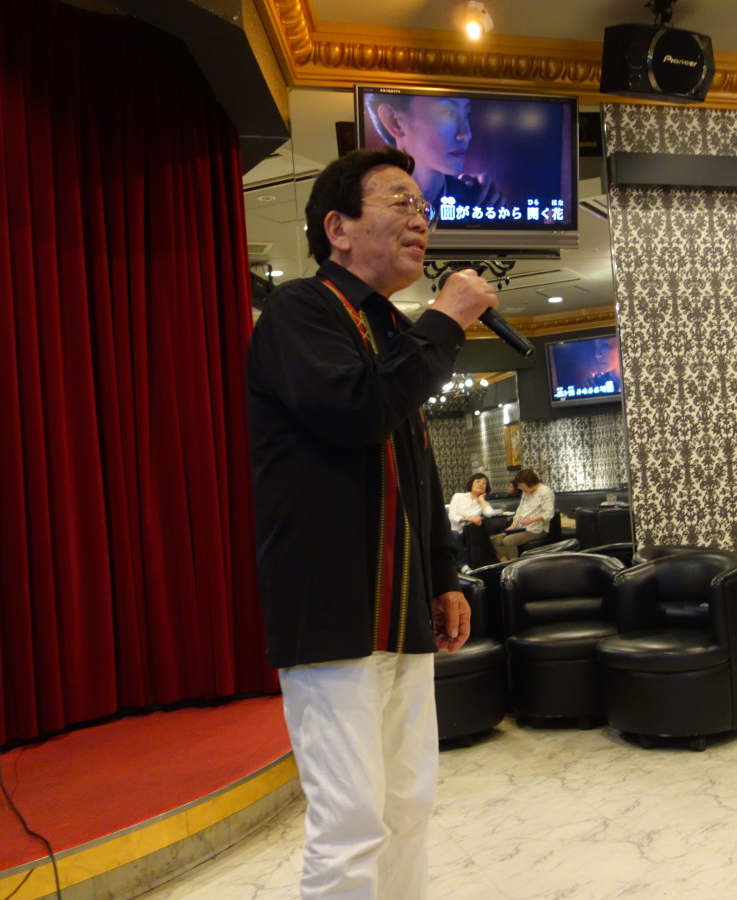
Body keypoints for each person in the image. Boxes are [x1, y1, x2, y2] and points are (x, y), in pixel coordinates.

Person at [246, 146, 498, 899]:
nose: (421, 219)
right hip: (331, 611)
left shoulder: (390, 328)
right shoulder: (299, 312)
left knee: (408, 805)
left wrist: (445, 576)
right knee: (351, 822)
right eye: (399, 202)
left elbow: (418, 471)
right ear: (338, 228)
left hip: (401, 608)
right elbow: (355, 411)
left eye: (423, 206)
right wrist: (445, 320)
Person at [364, 92, 502, 210]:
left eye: (467, 114)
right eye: (447, 113)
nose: (466, 134)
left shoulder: (479, 203)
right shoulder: (368, 205)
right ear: (395, 122)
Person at [489, 468, 555, 562]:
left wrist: (531, 520)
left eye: (521, 486)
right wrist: (514, 525)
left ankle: (515, 566)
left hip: (537, 530)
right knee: (495, 539)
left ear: (529, 482)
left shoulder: (545, 491)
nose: (520, 488)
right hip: (522, 528)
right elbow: (520, 510)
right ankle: (505, 565)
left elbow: (549, 514)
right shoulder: (525, 493)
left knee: (508, 540)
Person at [448, 472, 495, 569]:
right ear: (471, 484)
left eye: (484, 483)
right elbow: (452, 516)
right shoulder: (458, 496)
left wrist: (481, 500)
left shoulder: (482, 503)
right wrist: (470, 519)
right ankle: (463, 565)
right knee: (454, 534)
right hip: (454, 530)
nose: (481, 484)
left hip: (469, 533)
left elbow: (490, 513)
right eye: (478, 481)